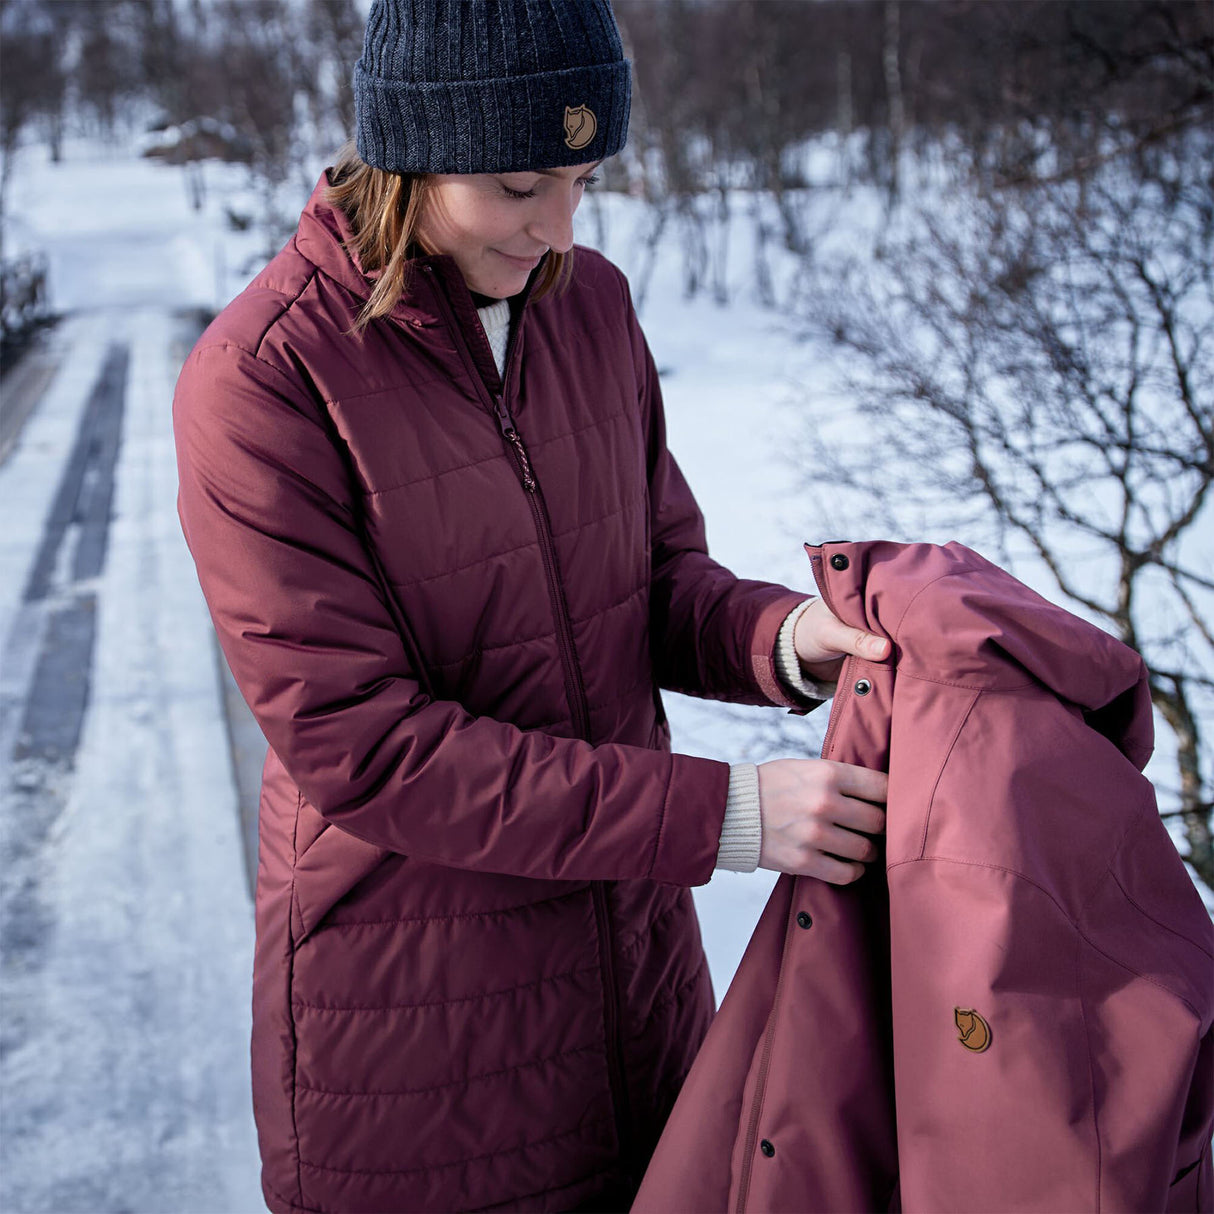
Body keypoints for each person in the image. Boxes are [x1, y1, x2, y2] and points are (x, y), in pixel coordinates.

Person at [172, 2, 889, 1211]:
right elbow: (368, 747)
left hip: (635, 985)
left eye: (582, 179)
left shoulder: (589, 306)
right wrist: (721, 814)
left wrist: (783, 638)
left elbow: (653, 579)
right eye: (516, 186)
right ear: (408, 155)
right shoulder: (265, 381)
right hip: (416, 1029)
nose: (557, 227)